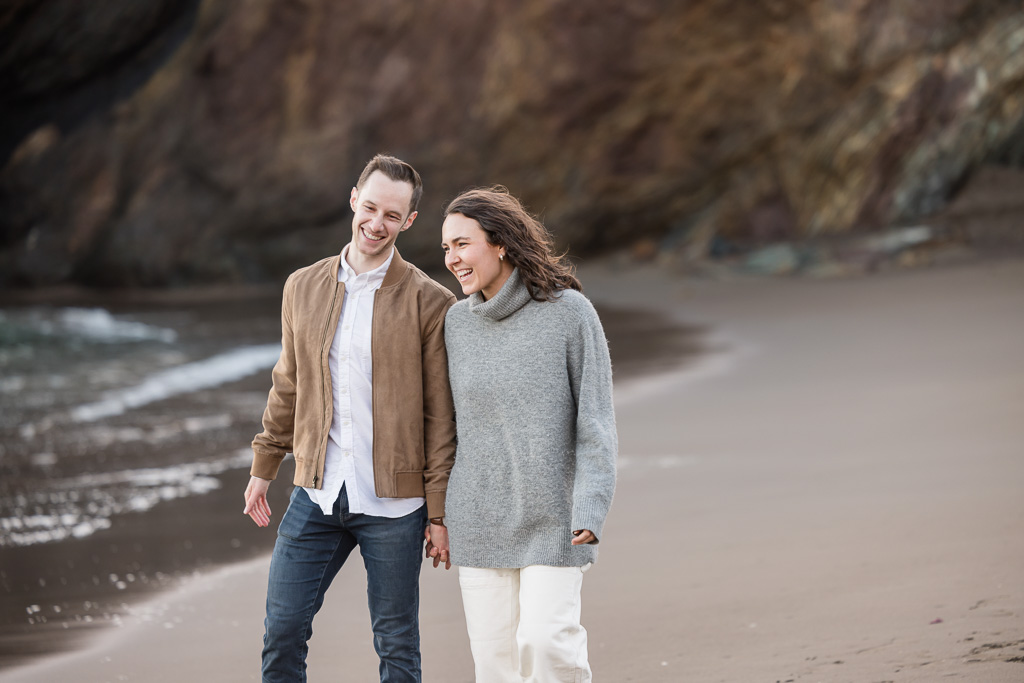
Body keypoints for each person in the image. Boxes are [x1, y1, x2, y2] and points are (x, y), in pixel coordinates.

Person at [244, 154, 457, 683]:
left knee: (396, 643)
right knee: (283, 630)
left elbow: (440, 418)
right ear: (353, 200)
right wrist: (264, 465)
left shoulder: (432, 303)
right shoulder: (303, 286)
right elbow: (287, 383)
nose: (375, 224)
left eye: (391, 215)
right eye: (369, 208)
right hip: (316, 494)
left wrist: (438, 511)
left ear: (408, 222)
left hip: (395, 506)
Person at [432, 186, 617, 682]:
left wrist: (591, 506)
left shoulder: (569, 313)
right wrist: (438, 515)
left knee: (547, 642)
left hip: (553, 516)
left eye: (462, 244)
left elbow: (595, 422)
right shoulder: (454, 324)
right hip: (478, 517)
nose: (452, 258)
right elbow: (444, 429)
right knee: (495, 666)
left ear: (501, 243)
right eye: (446, 248)